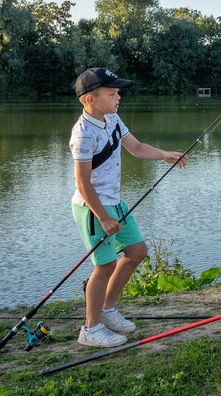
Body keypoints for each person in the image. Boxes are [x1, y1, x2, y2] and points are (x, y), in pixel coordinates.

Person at [69, 67, 188, 347]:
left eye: (118, 92)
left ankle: (107, 310)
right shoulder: (83, 133)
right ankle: (91, 328)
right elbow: (83, 183)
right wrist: (103, 217)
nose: (118, 97)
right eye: (112, 93)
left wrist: (165, 155)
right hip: (92, 207)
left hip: (115, 201)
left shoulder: (112, 118)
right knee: (105, 264)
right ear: (90, 99)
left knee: (136, 251)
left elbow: (135, 147)